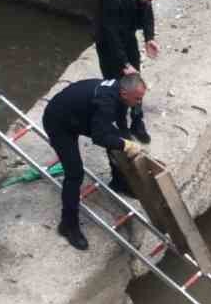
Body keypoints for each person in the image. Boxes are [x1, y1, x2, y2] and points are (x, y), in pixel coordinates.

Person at [43, 73, 146, 251]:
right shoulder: (106, 102)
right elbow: (99, 137)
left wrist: (126, 140)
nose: (139, 103)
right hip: (58, 121)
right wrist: (124, 144)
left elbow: (120, 123)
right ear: (124, 93)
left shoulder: (120, 94)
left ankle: (118, 182)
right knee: (75, 173)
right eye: (137, 99)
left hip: (81, 115)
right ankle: (68, 225)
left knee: (116, 140)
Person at [93, 0, 160, 144]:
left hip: (127, 37)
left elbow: (146, 14)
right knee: (117, 84)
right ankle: (121, 123)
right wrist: (124, 63)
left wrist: (149, 38)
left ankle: (137, 121)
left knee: (135, 82)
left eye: (150, 0)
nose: (148, 3)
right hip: (108, 44)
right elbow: (111, 34)